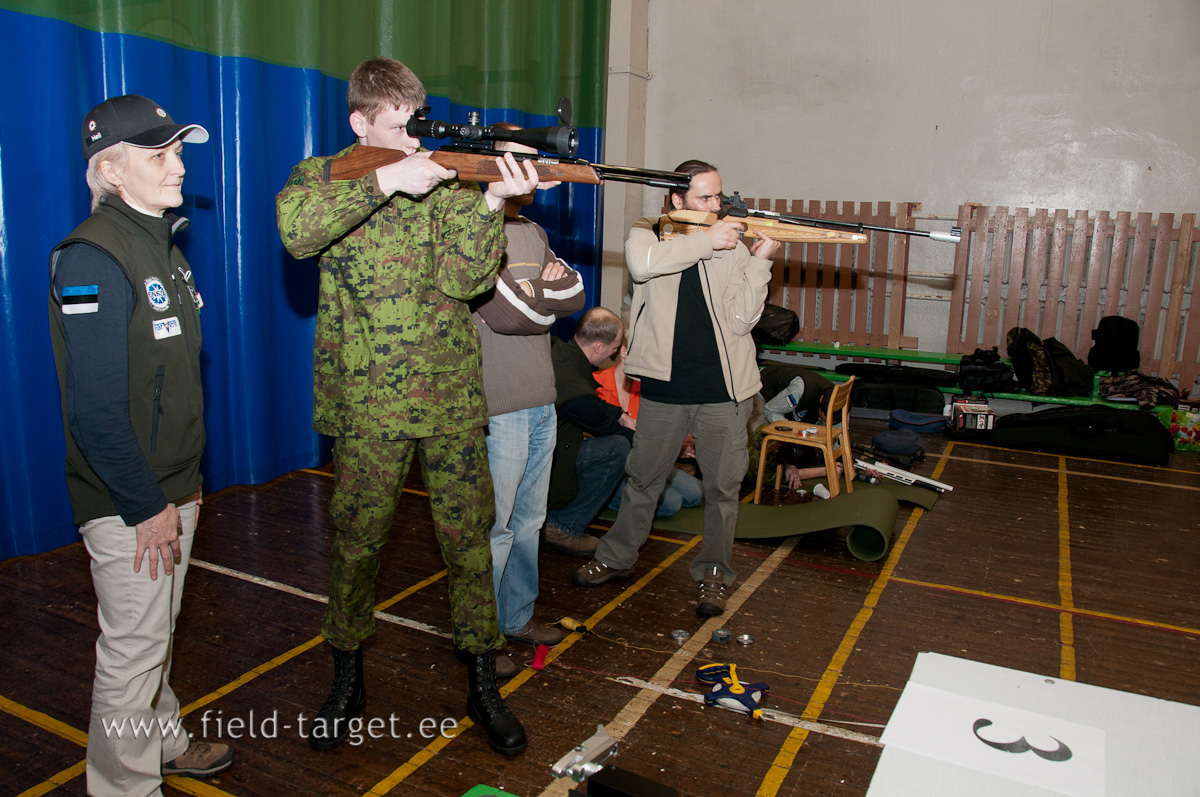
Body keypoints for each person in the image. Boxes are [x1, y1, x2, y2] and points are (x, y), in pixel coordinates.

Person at [275, 57, 546, 757]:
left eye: (416, 127)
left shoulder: (447, 184)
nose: (411, 141)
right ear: (359, 122)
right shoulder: (321, 175)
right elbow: (297, 233)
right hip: (366, 403)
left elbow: (464, 281)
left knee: (469, 542)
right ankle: (347, 674)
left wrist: (490, 203)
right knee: (357, 543)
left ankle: (482, 679)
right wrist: (385, 180)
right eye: (397, 129)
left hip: (450, 397)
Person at [48, 94, 232, 796]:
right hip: (132, 500)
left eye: (178, 150)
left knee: (155, 632)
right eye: (159, 154)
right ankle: (125, 786)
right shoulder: (92, 257)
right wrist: (147, 503)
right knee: (132, 652)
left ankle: (165, 741)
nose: (178, 165)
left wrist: (184, 484)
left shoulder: (164, 247)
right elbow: (94, 412)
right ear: (112, 171)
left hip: (170, 488)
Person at [571, 160, 779, 618]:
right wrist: (707, 240)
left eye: (718, 196)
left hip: (724, 389)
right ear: (676, 199)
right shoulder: (649, 230)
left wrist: (760, 262)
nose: (715, 206)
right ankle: (616, 557)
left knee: (723, 488)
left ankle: (714, 572)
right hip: (664, 387)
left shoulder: (731, 245)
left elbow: (743, 320)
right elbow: (642, 266)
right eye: (705, 197)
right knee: (643, 478)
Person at [471, 124, 585, 678]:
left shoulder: (534, 232)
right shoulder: (474, 227)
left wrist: (542, 294)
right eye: (520, 160)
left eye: (536, 161)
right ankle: (482, 636)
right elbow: (512, 315)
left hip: (542, 400)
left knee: (530, 521)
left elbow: (576, 296)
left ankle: (515, 617)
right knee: (495, 529)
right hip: (498, 405)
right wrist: (546, 292)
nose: (533, 172)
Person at [542, 306, 633, 557]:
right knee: (618, 448)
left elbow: (597, 407)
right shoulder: (577, 395)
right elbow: (610, 428)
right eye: (614, 348)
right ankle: (562, 526)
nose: (614, 354)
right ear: (599, 347)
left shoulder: (557, 349)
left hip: (545, 447)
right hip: (549, 460)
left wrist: (621, 415)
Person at [594, 345, 704, 517]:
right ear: (623, 352)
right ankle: (604, 496)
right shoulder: (595, 382)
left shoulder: (646, 387)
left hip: (646, 458)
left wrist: (679, 445)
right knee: (671, 504)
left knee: (697, 493)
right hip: (614, 462)